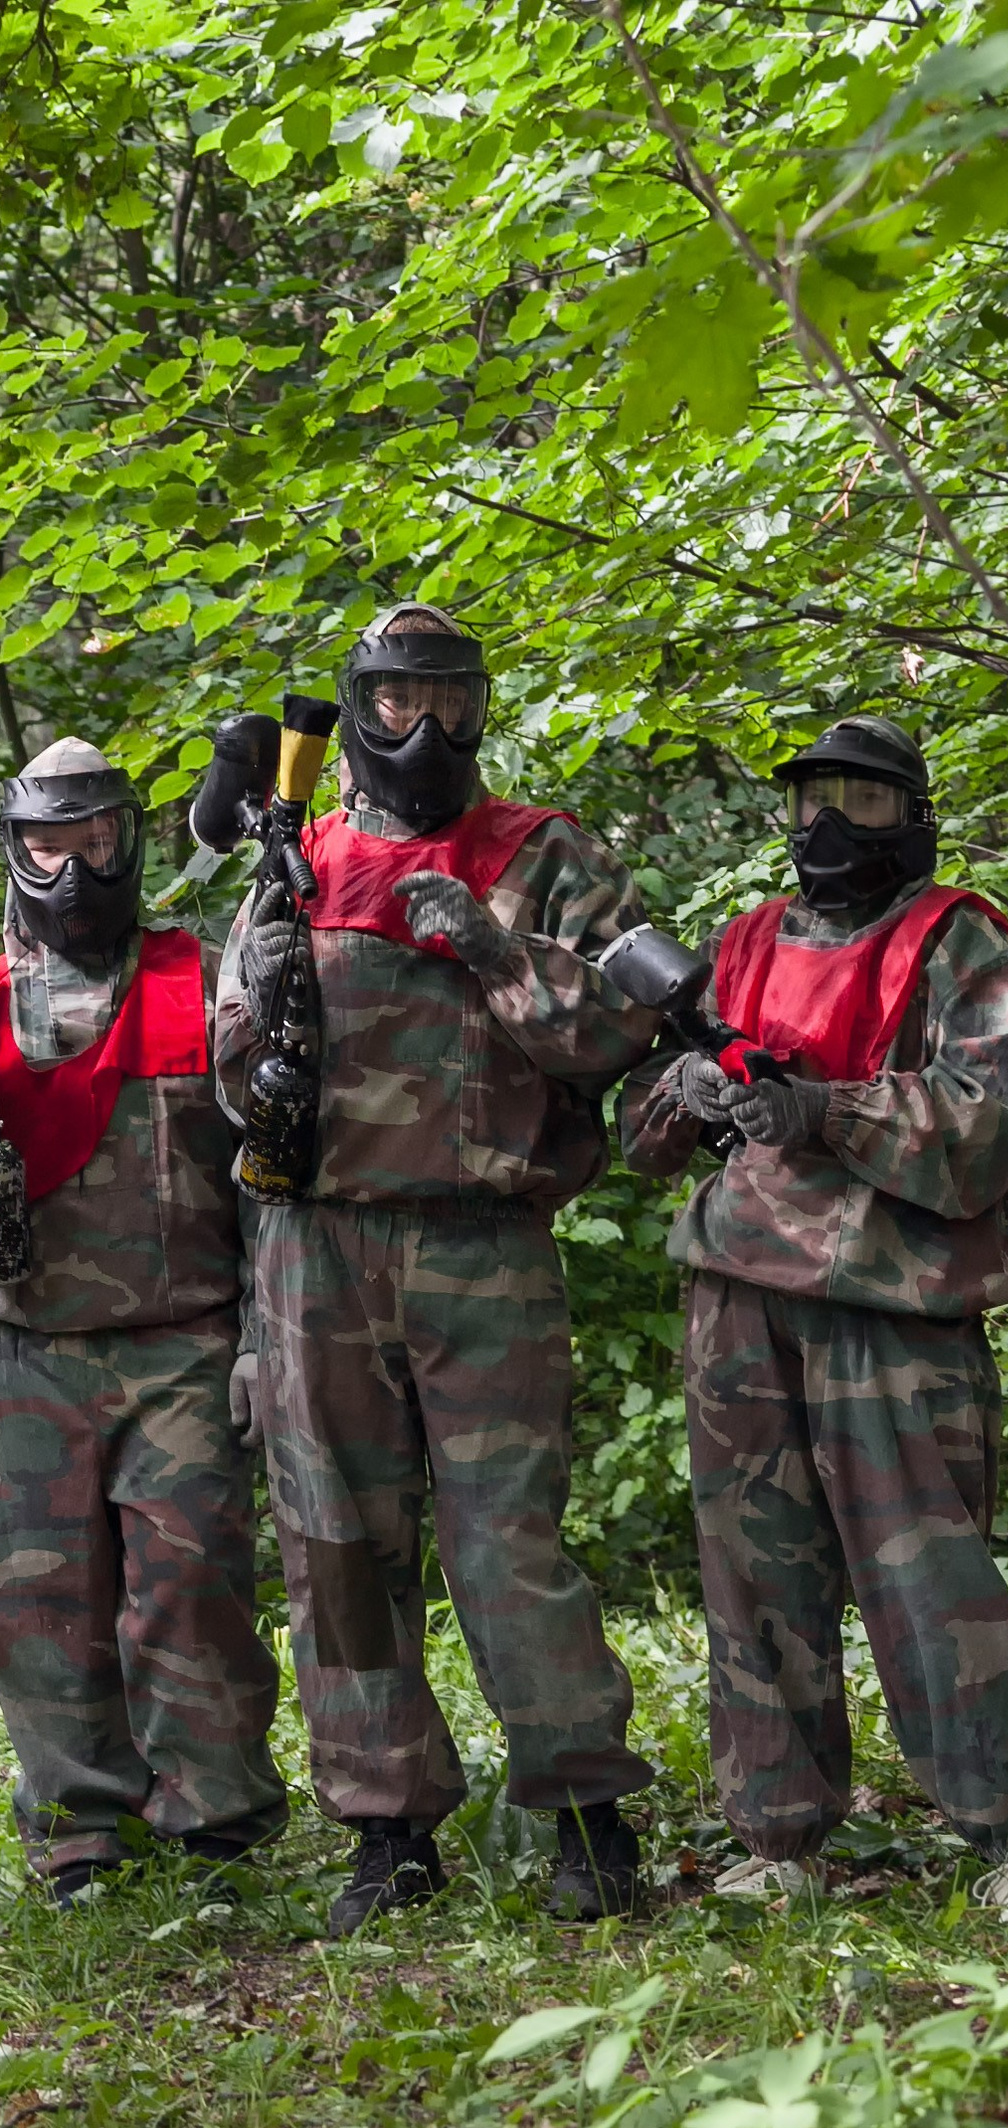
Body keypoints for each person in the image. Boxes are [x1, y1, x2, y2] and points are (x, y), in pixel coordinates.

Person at [213, 605, 662, 1936]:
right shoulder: (297, 858)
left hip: (485, 1239)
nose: (429, 730)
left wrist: (491, 945)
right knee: (338, 1547)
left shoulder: (547, 856)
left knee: (507, 1541)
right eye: (400, 703)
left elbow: (620, 1036)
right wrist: (269, 1008)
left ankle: (588, 1815)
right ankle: (386, 1831)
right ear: (355, 710)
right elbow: (236, 1077)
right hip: (318, 1243)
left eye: (454, 701)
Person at [0, 739, 284, 1899]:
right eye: (47, 846)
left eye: (94, 840)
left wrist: (264, 1337)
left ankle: (218, 1821)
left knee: (194, 1587)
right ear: (14, 855)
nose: (72, 869)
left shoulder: (202, 977)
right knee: (36, 1605)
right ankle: (80, 1831)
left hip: (182, 1338)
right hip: (14, 1348)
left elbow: (270, 1171)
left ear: (128, 839)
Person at [620, 716, 1008, 1900]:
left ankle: (999, 1827)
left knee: (929, 1570)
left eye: (865, 803)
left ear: (916, 819)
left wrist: (829, 1111)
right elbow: (640, 1139)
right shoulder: (738, 946)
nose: (831, 827)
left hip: (889, 1300)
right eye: (810, 802)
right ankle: (777, 1836)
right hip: (739, 1293)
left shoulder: (958, 940)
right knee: (752, 1569)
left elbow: (982, 1127)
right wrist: (684, 1087)